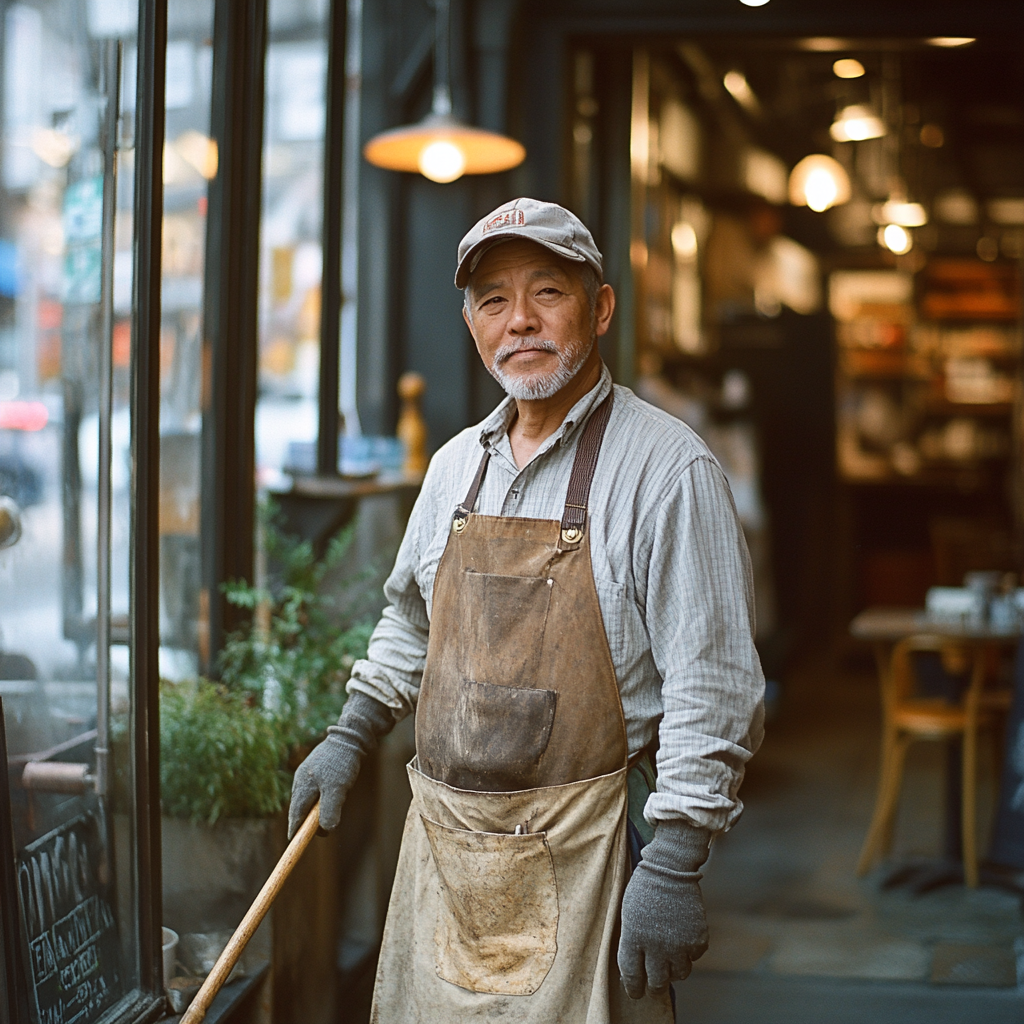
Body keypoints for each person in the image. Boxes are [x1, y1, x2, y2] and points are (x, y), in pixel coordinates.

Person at [288, 197, 765, 1022]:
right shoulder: (452, 470)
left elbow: (714, 684)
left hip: (593, 858)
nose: (520, 322)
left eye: (548, 292)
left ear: (601, 307)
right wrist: (352, 732)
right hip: (445, 856)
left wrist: (677, 858)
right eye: (494, 300)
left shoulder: (669, 471)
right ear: (472, 321)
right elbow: (410, 620)